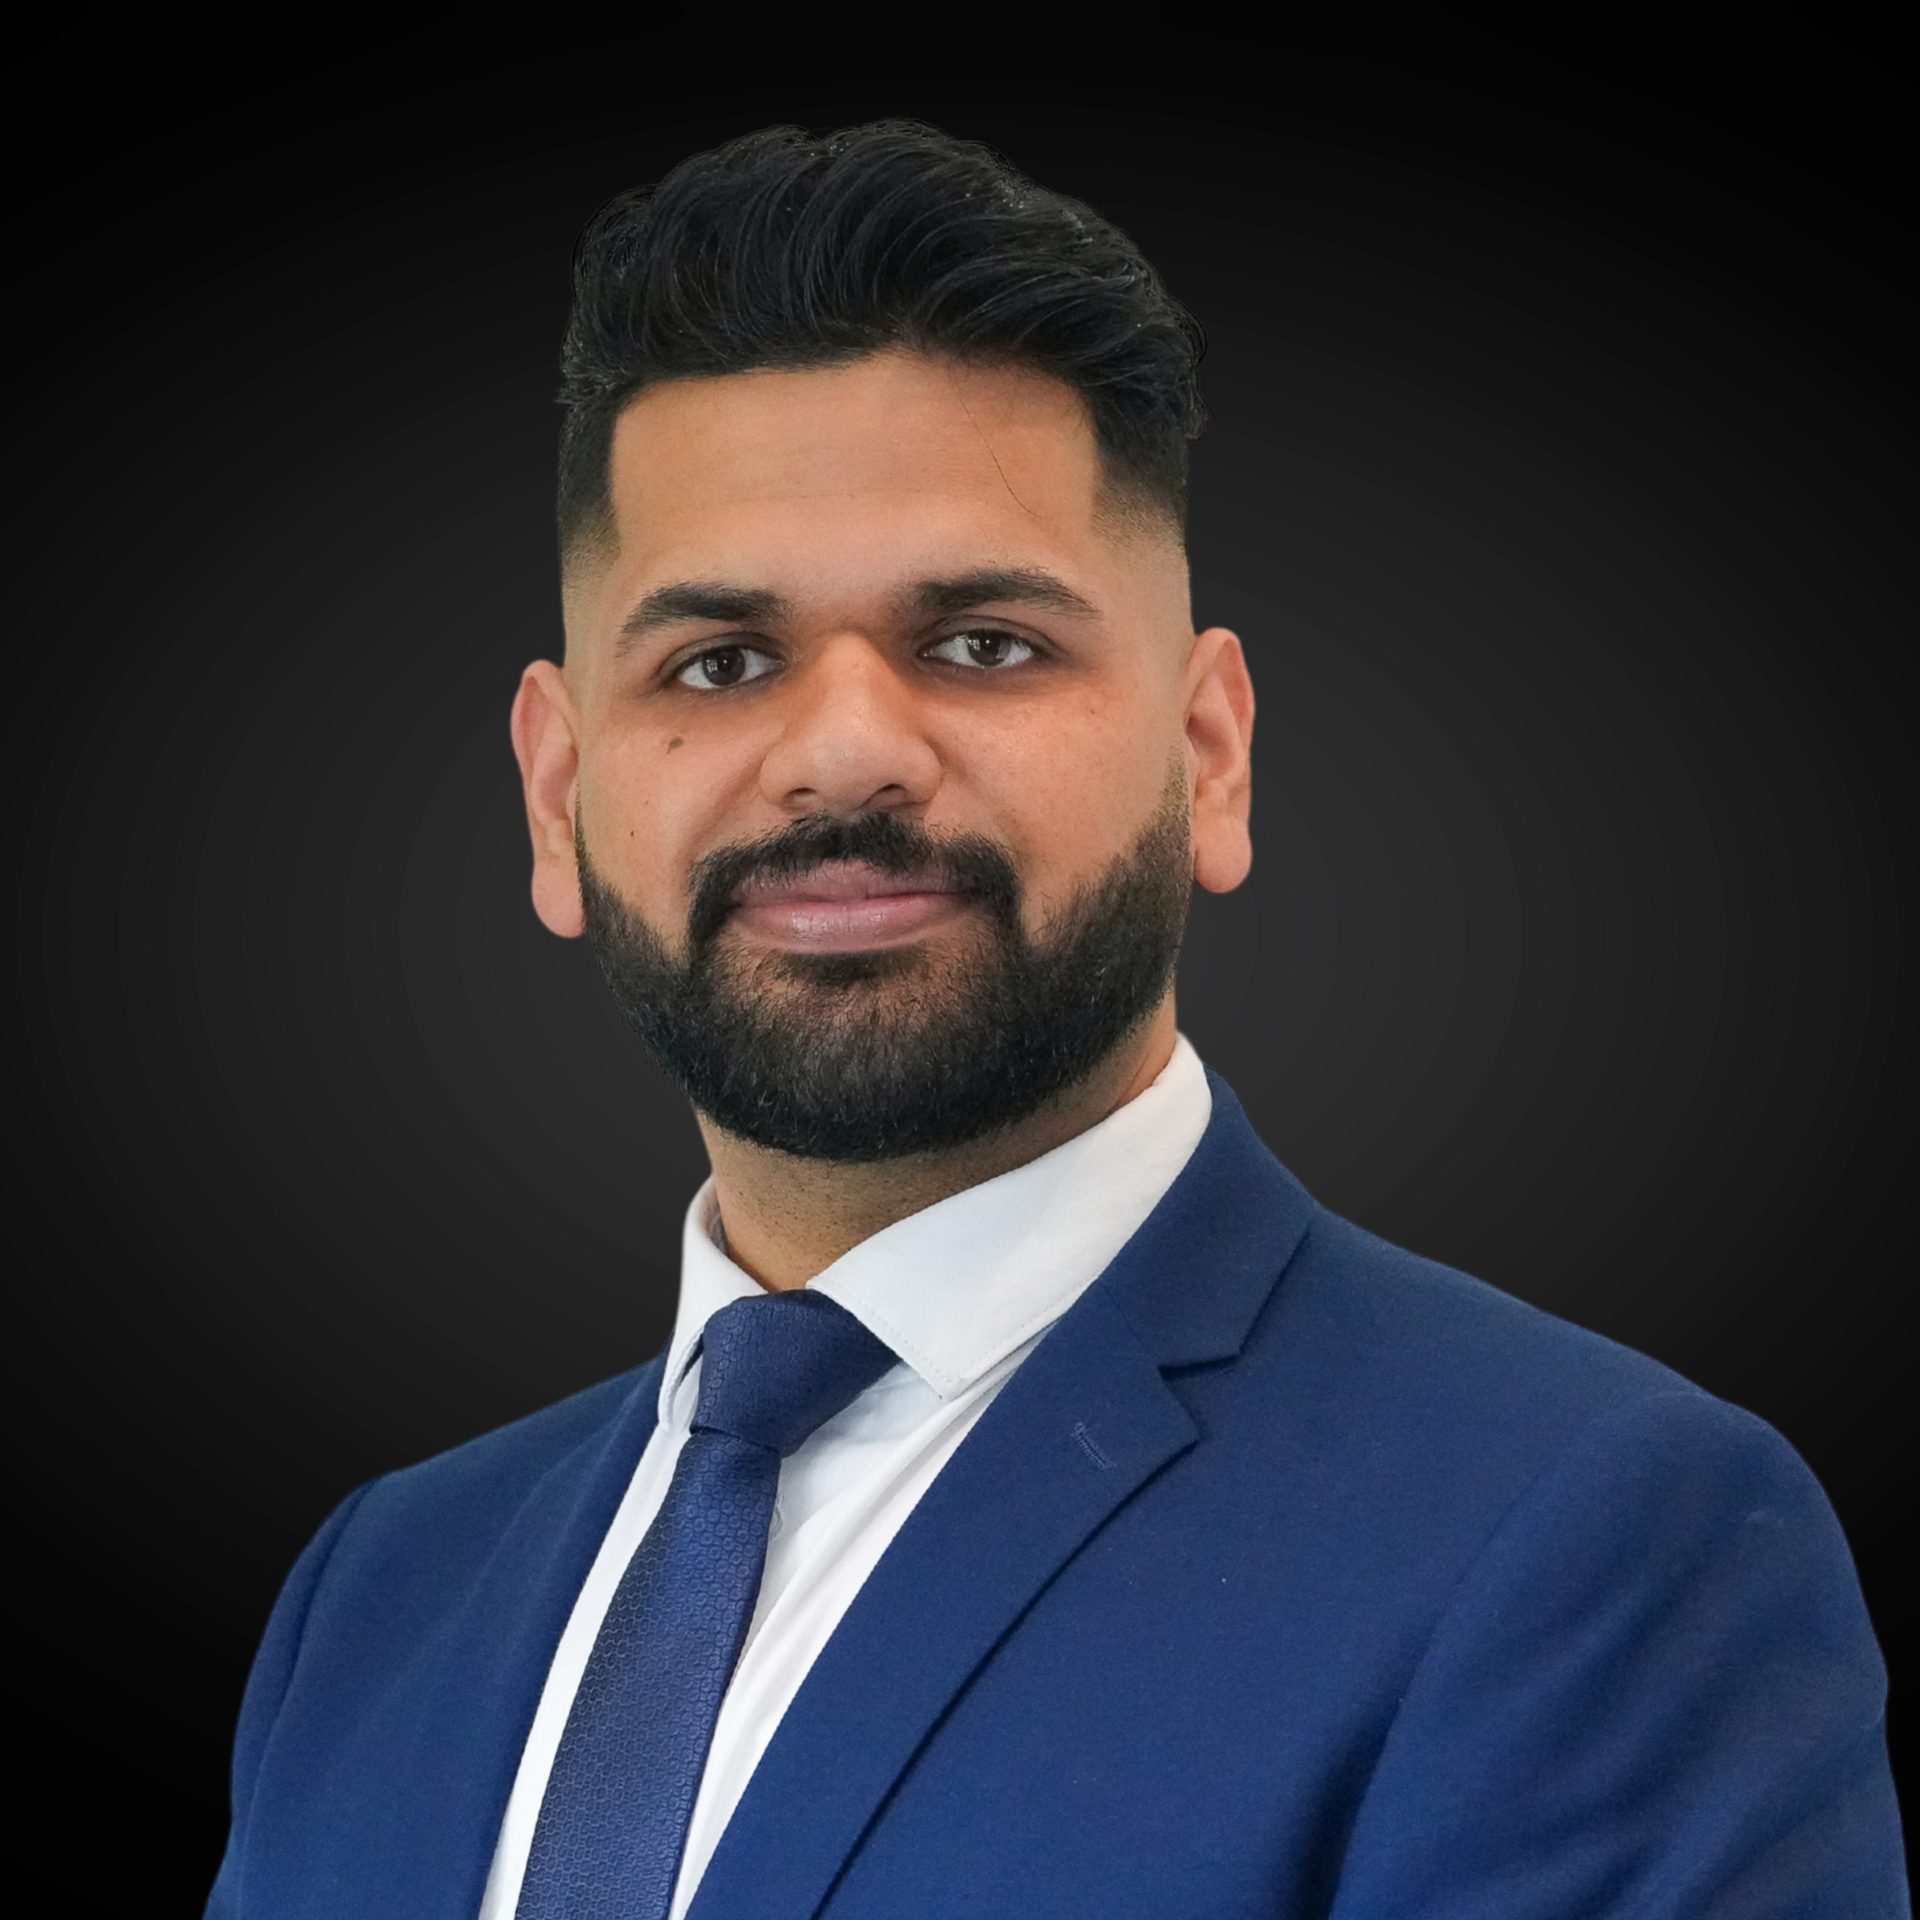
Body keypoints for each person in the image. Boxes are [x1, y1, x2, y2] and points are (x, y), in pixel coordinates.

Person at [202, 118, 1910, 1920]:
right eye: (720, 661)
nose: (844, 751)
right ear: (559, 801)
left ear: (1209, 754)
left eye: (983, 643)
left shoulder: (1597, 1538)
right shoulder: (381, 1591)